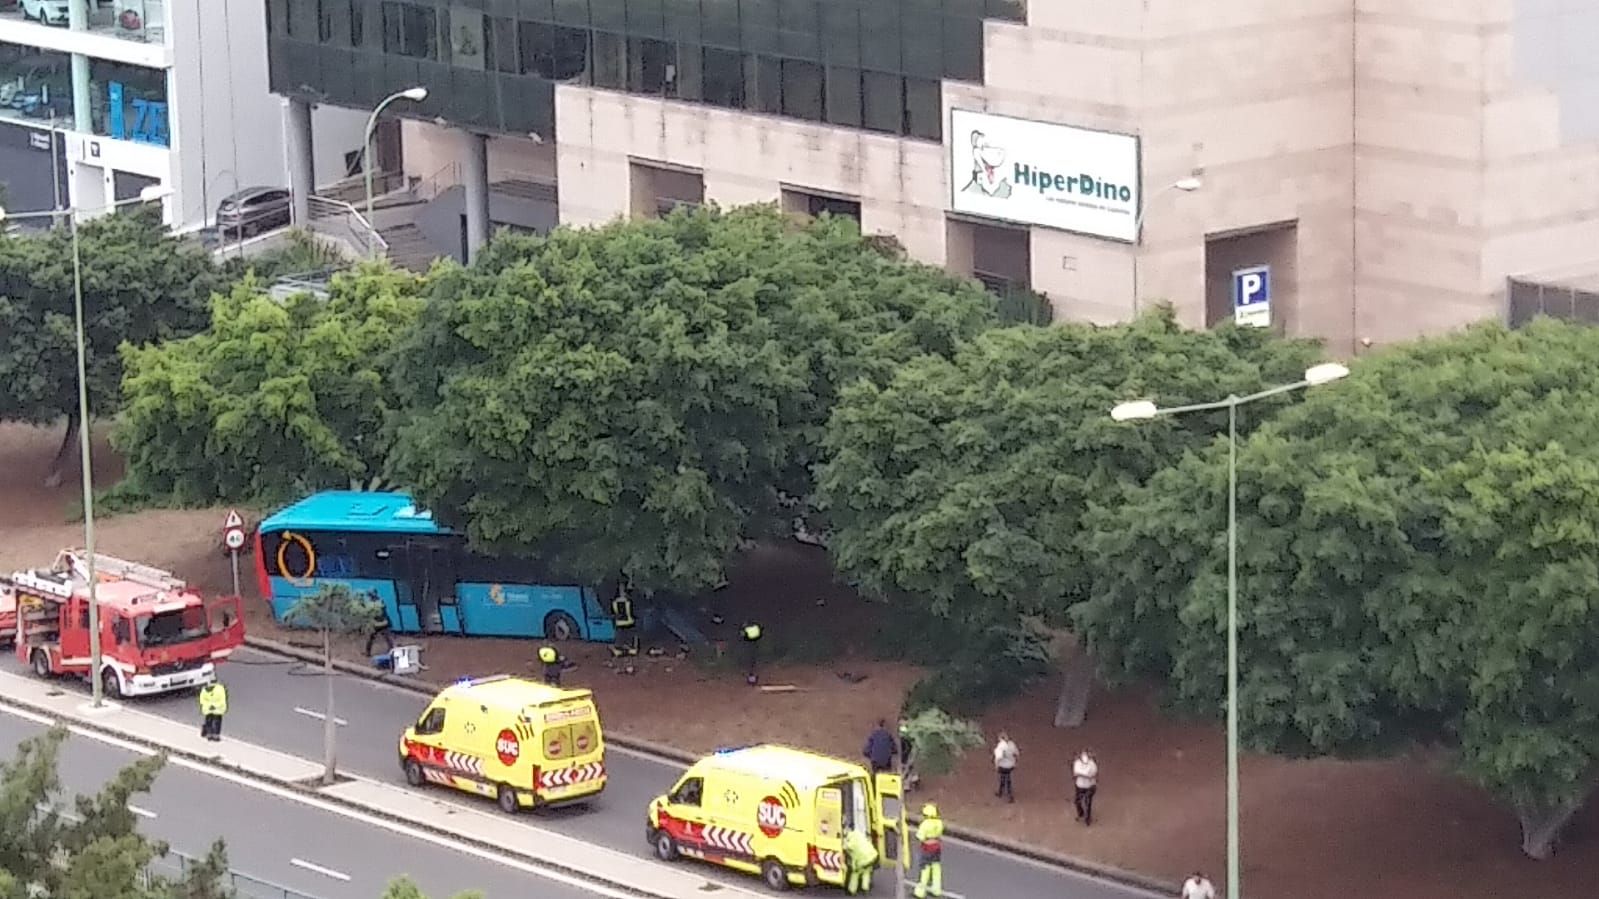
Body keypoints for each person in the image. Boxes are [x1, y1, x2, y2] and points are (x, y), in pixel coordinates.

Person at [913, 802, 943, 898]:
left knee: (924, 870)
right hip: (937, 847)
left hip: (927, 848)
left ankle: (920, 892)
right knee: (936, 868)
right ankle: (936, 890)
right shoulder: (939, 822)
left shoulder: (925, 824)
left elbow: (920, 837)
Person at [843, 826, 879, 895]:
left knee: (855, 874)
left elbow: (846, 848)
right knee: (866, 872)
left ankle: (852, 891)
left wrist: (854, 867)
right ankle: (865, 889)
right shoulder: (858, 834)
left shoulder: (851, 843)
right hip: (872, 856)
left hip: (863, 860)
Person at [1072, 748, 1099, 826]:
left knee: (1087, 802)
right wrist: (1086, 775)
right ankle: (1081, 813)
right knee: (1077, 801)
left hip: (1090, 786)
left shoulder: (1092, 764)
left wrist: (1082, 774)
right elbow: (1076, 772)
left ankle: (1087, 819)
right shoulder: (1077, 763)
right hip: (1080, 786)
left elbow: (1091, 774)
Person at [992, 731, 1018, 802]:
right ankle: (1007, 794)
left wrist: (996, 766)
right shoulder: (1012, 744)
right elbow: (1016, 753)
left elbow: (998, 758)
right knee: (1007, 779)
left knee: (1003, 778)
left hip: (1002, 766)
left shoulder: (1000, 746)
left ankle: (1002, 793)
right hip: (1010, 765)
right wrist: (1015, 762)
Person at [740, 621, 762, 686]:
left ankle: (752, 679)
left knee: (751, 664)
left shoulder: (748, 630)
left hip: (750, 647)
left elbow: (743, 636)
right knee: (752, 664)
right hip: (752, 647)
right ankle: (751, 679)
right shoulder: (755, 628)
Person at [900, 722, 920, 791]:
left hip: (907, 755)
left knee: (908, 768)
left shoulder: (908, 735)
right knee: (908, 768)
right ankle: (909, 782)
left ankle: (908, 783)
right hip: (907, 755)